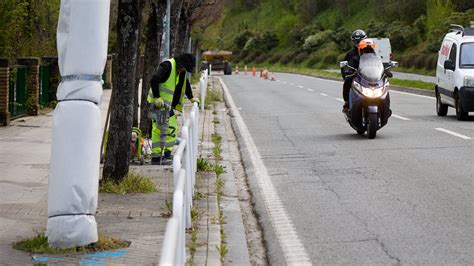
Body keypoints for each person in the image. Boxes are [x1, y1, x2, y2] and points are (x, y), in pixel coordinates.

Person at [148, 53, 200, 164]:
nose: (183, 71)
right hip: (158, 104)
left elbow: (185, 84)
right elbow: (154, 79)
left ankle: (162, 155)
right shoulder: (167, 66)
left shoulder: (180, 71)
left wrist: (191, 98)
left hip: (166, 105)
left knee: (168, 128)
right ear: (181, 64)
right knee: (162, 129)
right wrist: (157, 97)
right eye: (184, 68)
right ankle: (159, 157)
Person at [342, 29, 367, 112]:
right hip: (355, 77)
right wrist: (346, 75)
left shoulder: (370, 51)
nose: (358, 43)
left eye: (361, 41)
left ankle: (384, 105)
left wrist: (384, 69)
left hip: (369, 76)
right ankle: (347, 103)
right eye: (356, 41)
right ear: (353, 42)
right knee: (347, 82)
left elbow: (377, 61)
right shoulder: (350, 54)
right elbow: (344, 68)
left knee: (383, 84)